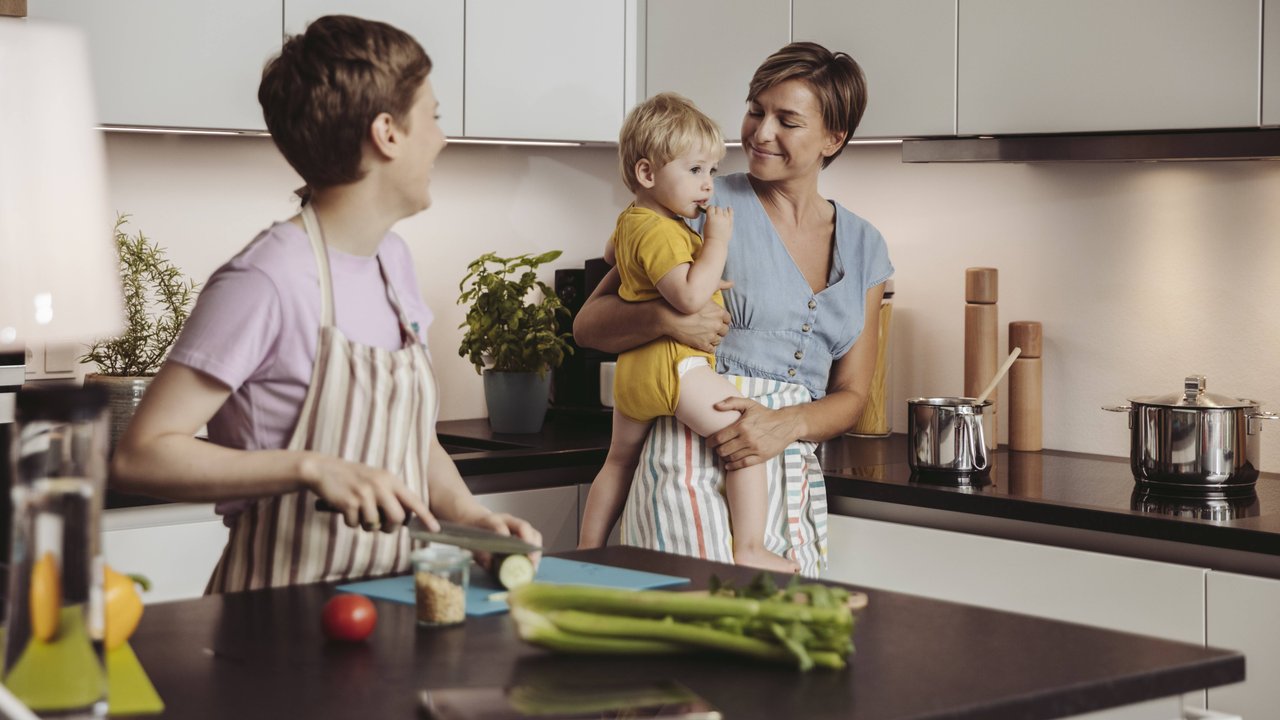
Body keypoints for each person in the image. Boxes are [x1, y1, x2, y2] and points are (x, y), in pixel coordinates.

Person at [110, 15, 541, 592]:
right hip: (274, 616)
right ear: (387, 132)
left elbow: (413, 439)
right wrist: (309, 467)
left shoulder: (394, 262)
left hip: (387, 606)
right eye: (433, 118)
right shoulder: (265, 279)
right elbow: (142, 455)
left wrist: (471, 520)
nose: (442, 138)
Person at [573, 42, 893, 576]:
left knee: (781, 645)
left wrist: (786, 425)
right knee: (686, 642)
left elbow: (853, 394)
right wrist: (666, 319)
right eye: (755, 110)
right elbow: (588, 326)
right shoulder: (698, 201)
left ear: (834, 138)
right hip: (689, 460)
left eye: (787, 121)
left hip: (788, 471)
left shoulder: (866, 247)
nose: (760, 133)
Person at [577, 93, 798, 574]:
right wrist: (715, 241)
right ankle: (751, 548)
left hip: (635, 373)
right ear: (646, 174)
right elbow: (689, 298)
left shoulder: (635, 221)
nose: (708, 187)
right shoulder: (661, 231)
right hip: (676, 367)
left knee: (617, 463)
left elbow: (614, 254)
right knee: (746, 437)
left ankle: (587, 552)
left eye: (712, 172)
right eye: (696, 171)